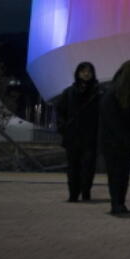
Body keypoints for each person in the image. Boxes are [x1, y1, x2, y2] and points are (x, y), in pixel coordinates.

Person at [99, 60, 130, 215]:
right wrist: (129, 137)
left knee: (121, 174)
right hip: (114, 142)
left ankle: (119, 202)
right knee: (117, 173)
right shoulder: (113, 93)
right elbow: (112, 120)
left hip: (122, 141)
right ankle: (117, 203)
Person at [54, 62, 100, 202]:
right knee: (73, 167)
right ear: (78, 73)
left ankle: (86, 191)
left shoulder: (99, 92)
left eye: (89, 71)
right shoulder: (69, 92)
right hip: (73, 136)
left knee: (88, 167)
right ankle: (73, 194)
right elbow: (60, 111)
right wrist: (64, 128)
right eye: (83, 71)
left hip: (90, 137)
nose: (86, 74)